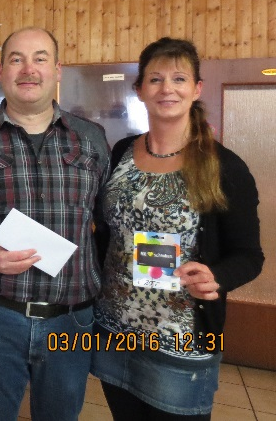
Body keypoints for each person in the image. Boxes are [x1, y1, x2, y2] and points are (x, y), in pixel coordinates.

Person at [91, 37, 263, 420]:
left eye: (179, 78)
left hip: (182, 340)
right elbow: (106, 234)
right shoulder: (119, 152)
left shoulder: (225, 168)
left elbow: (251, 256)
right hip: (113, 328)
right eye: (155, 79)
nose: (167, 88)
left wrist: (216, 276)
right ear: (139, 91)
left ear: (196, 89)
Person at [0, 27, 110, 421]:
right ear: (1, 71)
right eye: (16, 59)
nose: (28, 69)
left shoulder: (92, 139)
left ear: (57, 70)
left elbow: (109, 223)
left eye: (40, 58)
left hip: (71, 318)